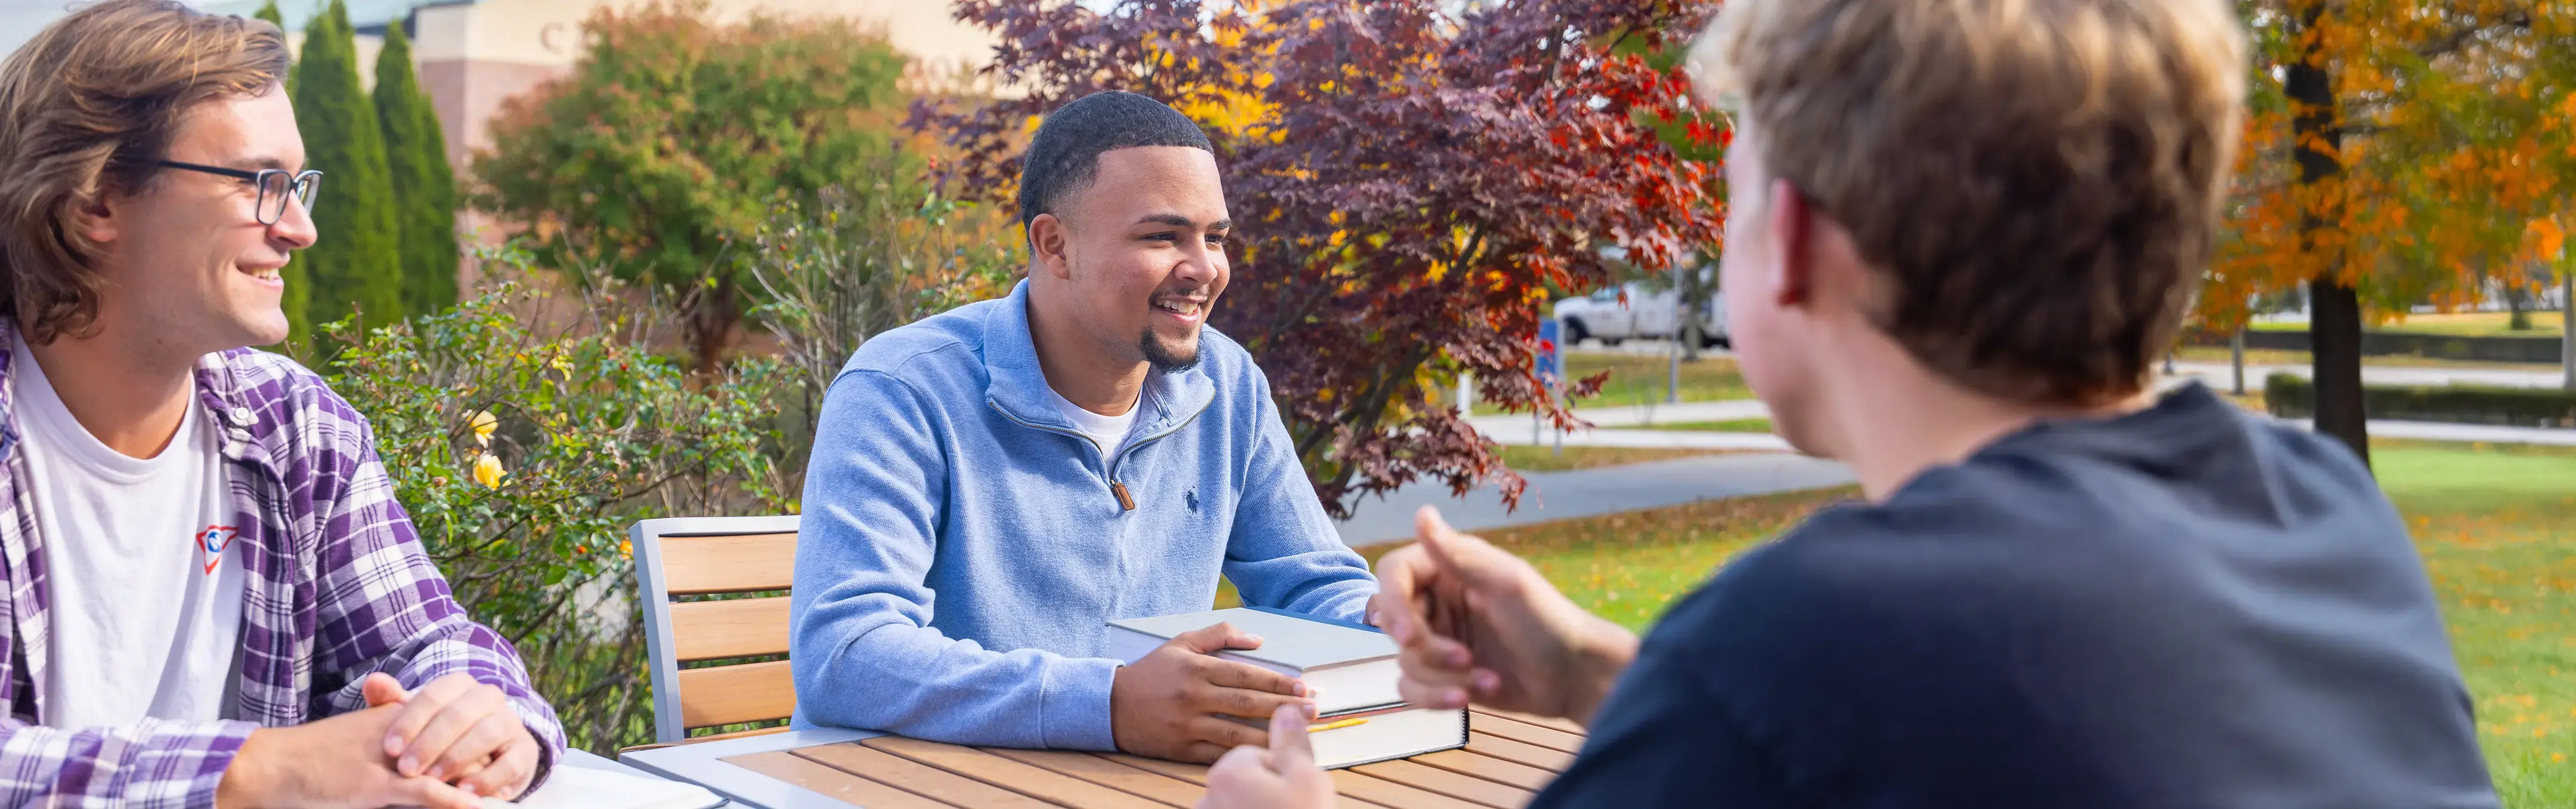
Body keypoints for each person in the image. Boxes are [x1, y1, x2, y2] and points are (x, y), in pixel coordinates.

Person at [1203, 0, 2502, 806]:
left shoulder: (1814, 638)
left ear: (1805, 245)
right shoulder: (2320, 510)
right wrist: (1600, 668)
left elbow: (1851, 699)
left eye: (1735, 195)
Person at [0, 2, 564, 806]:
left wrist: (484, 720)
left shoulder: (297, 428)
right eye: (262, 184)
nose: (301, 228)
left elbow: (430, 643)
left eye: (298, 185)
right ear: (95, 203)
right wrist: (261, 769)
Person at [789, 91, 1374, 762]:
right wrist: (1110, 704)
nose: (1206, 268)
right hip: (917, 786)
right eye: (1163, 236)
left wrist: (1386, 618)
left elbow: (1311, 583)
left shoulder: (1227, 384)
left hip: (1131, 787)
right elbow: (847, 652)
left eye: (1215, 237)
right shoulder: (904, 389)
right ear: (1054, 244)